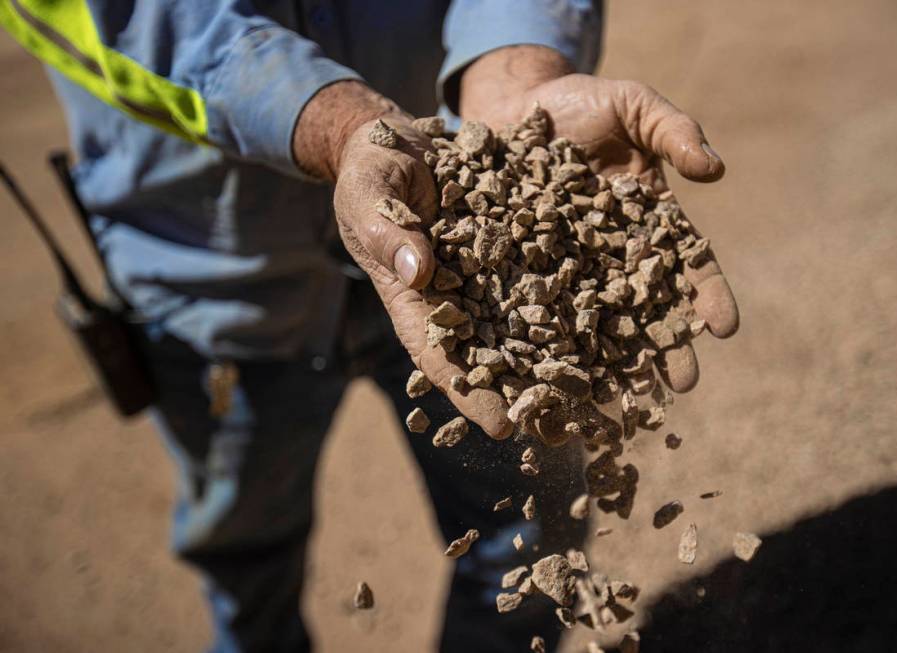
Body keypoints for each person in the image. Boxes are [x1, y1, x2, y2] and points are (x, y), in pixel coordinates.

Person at [1, 1, 739, 651]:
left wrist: (516, 64)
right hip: (209, 272)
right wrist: (341, 124)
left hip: (450, 229)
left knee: (536, 532)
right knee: (246, 555)